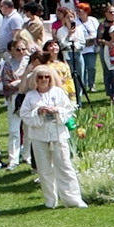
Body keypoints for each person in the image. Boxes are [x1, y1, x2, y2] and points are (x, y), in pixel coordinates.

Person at [19, 69, 85, 208]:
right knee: (44, 169)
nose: (44, 80)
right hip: (39, 136)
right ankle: (50, 200)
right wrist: (38, 112)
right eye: (40, 77)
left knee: (65, 166)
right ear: (35, 79)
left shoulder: (58, 92)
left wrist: (56, 110)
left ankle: (73, 199)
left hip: (58, 134)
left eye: (47, 77)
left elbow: (69, 110)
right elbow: (24, 115)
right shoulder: (30, 96)